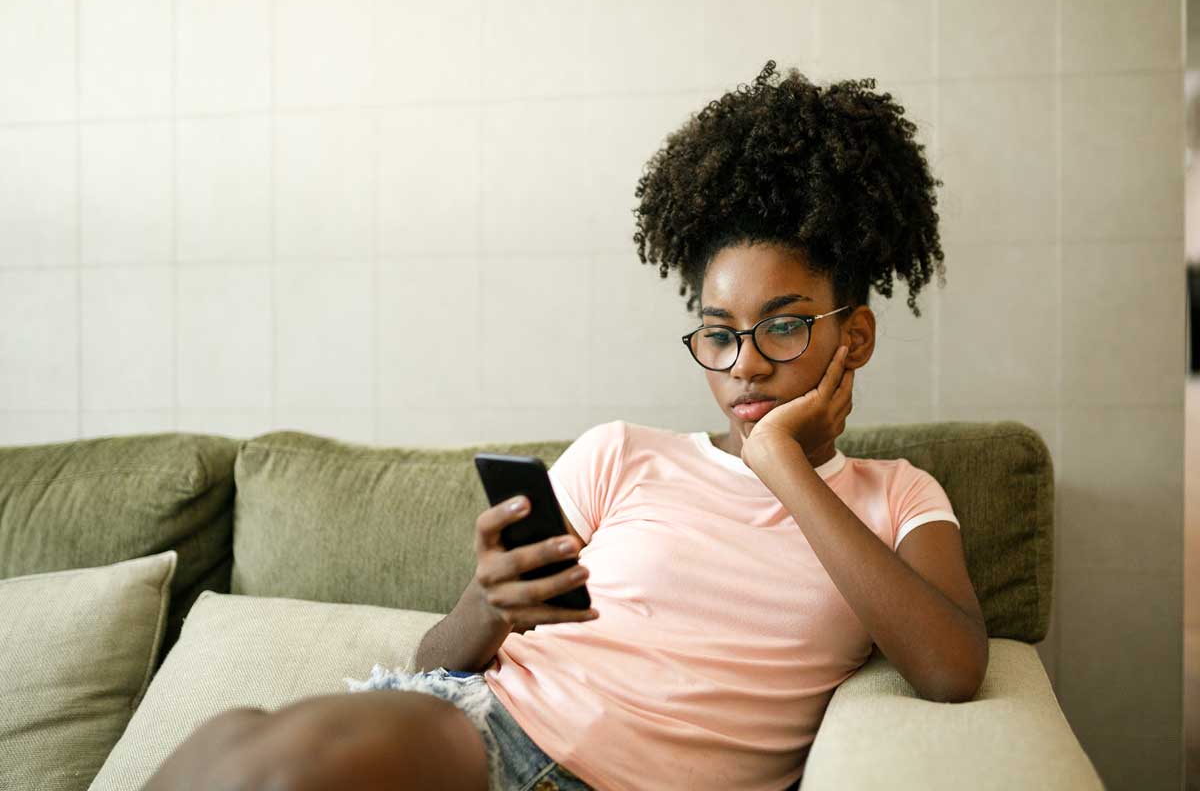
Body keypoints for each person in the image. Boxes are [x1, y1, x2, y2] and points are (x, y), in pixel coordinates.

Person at [142, 59, 988, 791]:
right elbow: (438, 659)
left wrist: (784, 466)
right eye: (719, 333)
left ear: (857, 334)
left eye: (784, 324)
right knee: (232, 744)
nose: (746, 364)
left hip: (599, 774)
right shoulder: (622, 454)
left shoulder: (899, 497)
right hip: (486, 729)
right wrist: (489, 602)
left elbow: (951, 669)